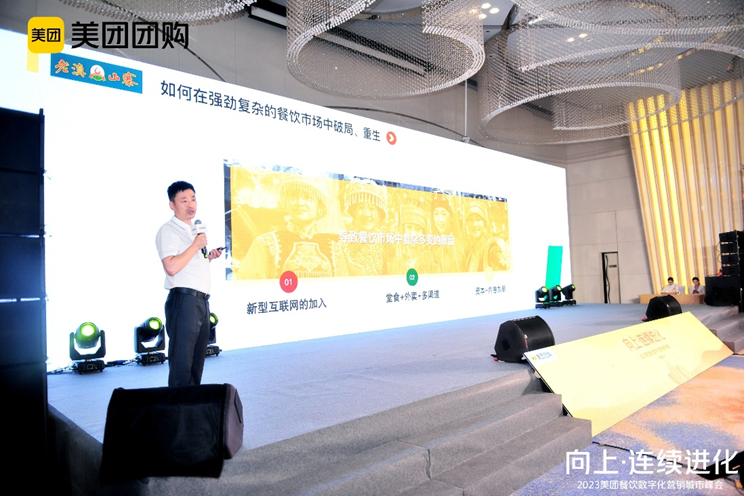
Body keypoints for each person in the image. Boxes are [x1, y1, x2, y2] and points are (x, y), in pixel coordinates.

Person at [156, 181, 223, 387]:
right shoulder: (168, 230)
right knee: (182, 365)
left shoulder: (193, 231)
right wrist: (195, 246)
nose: (190, 204)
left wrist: (208, 257)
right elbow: (171, 267)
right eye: (184, 200)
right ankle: (178, 407)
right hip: (184, 302)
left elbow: (189, 264)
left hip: (201, 302)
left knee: (196, 364)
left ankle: (192, 405)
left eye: (193, 199)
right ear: (172, 205)